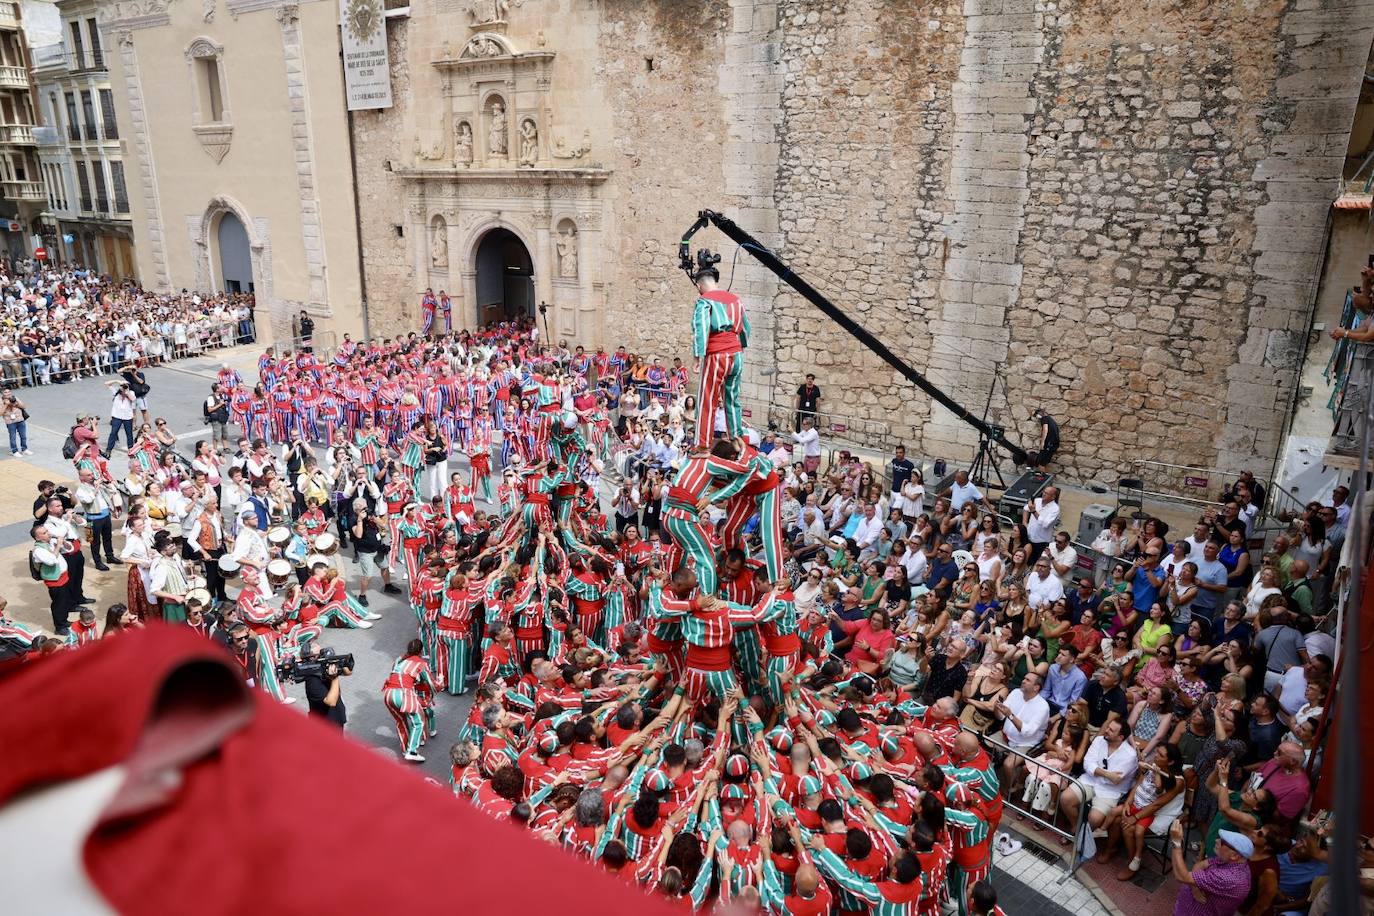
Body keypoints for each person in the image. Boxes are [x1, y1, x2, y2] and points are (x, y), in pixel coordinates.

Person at [1168, 823, 1253, 916]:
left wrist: (1176, 843)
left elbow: (1181, 876)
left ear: (1234, 855)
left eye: (1222, 842)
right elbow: (1200, 864)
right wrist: (1194, 887)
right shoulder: (1231, 861)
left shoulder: (1227, 878)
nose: (1216, 841)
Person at [302, 643, 351, 727]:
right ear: (312, 658)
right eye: (321, 653)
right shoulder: (312, 680)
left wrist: (339, 662)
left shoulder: (324, 667)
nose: (323, 654)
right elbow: (331, 702)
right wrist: (334, 678)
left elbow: (348, 673)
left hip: (336, 718)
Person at [104, 380, 137, 452]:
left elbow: (133, 399)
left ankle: (131, 449)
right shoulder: (116, 392)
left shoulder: (131, 392)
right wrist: (117, 381)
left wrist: (126, 392)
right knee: (113, 433)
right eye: (122, 386)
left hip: (127, 417)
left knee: (129, 434)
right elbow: (106, 383)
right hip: (116, 416)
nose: (123, 387)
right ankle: (109, 449)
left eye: (125, 385)